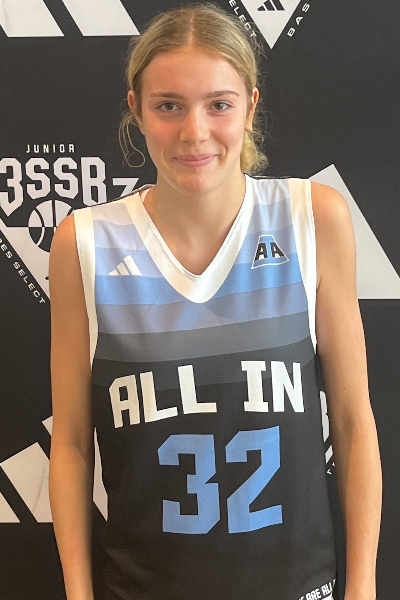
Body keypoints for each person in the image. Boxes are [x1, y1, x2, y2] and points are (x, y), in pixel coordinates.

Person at [48, 4, 381, 600]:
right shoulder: (85, 244)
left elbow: (354, 425)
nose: (194, 132)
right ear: (136, 110)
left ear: (250, 106)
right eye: (168, 105)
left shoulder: (312, 219)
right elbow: (71, 445)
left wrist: (362, 589)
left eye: (218, 104)